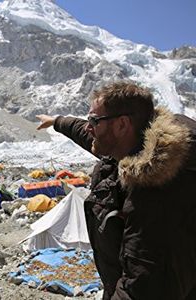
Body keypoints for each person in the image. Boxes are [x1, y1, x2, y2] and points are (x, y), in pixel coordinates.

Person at [36, 82, 196, 300]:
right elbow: (86, 134)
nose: (89, 127)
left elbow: (143, 286)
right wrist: (57, 122)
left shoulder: (155, 193)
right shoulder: (128, 147)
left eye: (94, 120)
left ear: (122, 125)